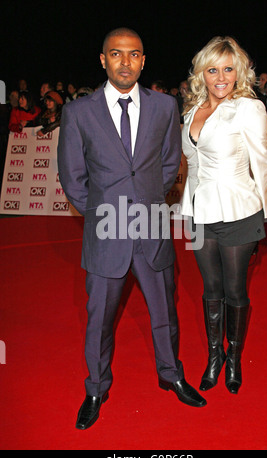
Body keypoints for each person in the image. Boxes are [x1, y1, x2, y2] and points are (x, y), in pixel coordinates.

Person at [57, 27, 206, 431]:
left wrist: (148, 206)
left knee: (164, 312)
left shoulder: (165, 107)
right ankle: (95, 388)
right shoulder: (78, 112)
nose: (126, 62)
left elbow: (170, 161)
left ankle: (171, 373)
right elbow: (72, 178)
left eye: (134, 54)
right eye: (117, 54)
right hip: (106, 233)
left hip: (153, 227)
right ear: (103, 59)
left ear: (144, 60)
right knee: (99, 319)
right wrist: (108, 216)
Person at [181, 36, 267, 395]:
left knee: (235, 290)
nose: (221, 77)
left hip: (239, 212)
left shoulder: (248, 108)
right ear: (202, 73)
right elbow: (192, 164)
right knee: (210, 290)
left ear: (240, 73)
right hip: (200, 213)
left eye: (228, 69)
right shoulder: (191, 111)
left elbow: (263, 164)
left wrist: (262, 219)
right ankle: (214, 356)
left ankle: (233, 359)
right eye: (213, 69)